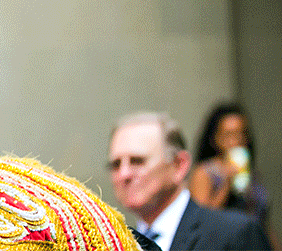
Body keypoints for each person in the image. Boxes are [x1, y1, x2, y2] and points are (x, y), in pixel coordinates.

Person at [107, 111, 271, 251]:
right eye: (115, 164)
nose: (124, 174)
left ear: (179, 165)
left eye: (137, 161)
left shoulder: (236, 233)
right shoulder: (114, 244)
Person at [190, 102, 276, 248]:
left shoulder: (251, 173)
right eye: (228, 135)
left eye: (241, 133)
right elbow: (199, 221)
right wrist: (226, 183)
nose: (236, 141)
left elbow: (263, 222)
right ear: (214, 138)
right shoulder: (204, 172)